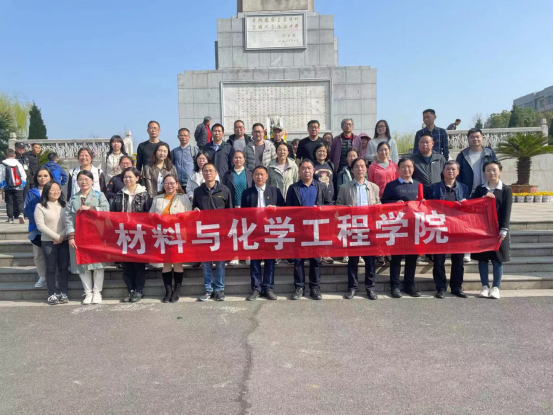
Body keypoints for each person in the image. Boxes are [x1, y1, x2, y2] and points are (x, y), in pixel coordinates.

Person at [286, 160, 333, 301]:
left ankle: (315, 287)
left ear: (313, 170)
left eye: (309, 168)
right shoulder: (293, 188)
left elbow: (329, 204)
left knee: (315, 259)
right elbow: (287, 209)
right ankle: (299, 287)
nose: (306, 171)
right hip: (299, 229)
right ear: (299, 171)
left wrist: (320, 209)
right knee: (298, 260)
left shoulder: (321, 186)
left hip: (316, 229)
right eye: (303, 168)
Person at [336, 158, 381, 301]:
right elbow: (338, 206)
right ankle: (352, 288)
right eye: (356, 166)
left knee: (370, 261)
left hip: (369, 228)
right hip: (353, 228)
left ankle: (370, 288)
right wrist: (345, 209)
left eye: (362, 166)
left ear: (366, 169)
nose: (360, 169)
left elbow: (379, 205)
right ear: (352, 170)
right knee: (353, 260)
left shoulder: (374, 187)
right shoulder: (345, 188)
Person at [425, 161, 470, 299]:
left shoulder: (464, 188)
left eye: (453, 169)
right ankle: (441, 288)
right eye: (448, 169)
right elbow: (427, 206)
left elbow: (470, 208)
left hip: (458, 228)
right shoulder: (433, 188)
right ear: (443, 171)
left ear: (458, 172)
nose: (450, 171)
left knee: (458, 260)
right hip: (440, 228)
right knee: (439, 260)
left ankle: (456, 287)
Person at [64, 170, 110, 305]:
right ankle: (88, 292)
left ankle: (97, 292)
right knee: (82, 265)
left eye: (86, 179)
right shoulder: (73, 198)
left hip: (97, 235)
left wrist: (90, 208)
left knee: (98, 265)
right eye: (81, 179)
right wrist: (71, 236)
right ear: (77, 182)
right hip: (79, 236)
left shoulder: (99, 195)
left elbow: (106, 209)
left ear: (92, 181)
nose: (84, 182)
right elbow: (67, 218)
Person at [241, 166, 285, 301]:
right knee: (254, 261)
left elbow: (284, 208)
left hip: (270, 230)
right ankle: (256, 288)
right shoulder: (247, 193)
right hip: (254, 230)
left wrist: (276, 208)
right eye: (256, 174)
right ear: (252, 176)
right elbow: (242, 213)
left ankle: (268, 288)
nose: (259, 177)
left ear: (266, 176)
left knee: (270, 260)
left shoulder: (275, 191)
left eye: (262, 174)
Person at [471, 161, 513, 300]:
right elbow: (472, 206)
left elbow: (507, 211)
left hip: (498, 229)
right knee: (482, 259)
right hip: (482, 229)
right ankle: (484, 286)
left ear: (500, 171)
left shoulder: (506, 189)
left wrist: (504, 229)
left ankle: (496, 287)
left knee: (497, 259)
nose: (491, 173)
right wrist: (482, 199)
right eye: (488, 170)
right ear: (484, 172)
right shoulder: (480, 189)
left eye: (494, 170)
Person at [382, 158, 422, 299]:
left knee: (412, 258)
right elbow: (383, 202)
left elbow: (424, 204)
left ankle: (409, 285)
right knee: (396, 258)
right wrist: (395, 203)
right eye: (403, 167)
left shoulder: (418, 185)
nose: (407, 169)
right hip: (397, 226)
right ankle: (395, 285)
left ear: (413, 169)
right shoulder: (391, 186)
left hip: (413, 227)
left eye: (409, 167)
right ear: (398, 169)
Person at [111, 167, 152, 303]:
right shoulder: (119, 194)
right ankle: (131, 290)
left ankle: (139, 289)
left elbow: (148, 214)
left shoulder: (144, 194)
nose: (127, 179)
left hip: (139, 232)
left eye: (130, 177)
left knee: (139, 263)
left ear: (137, 178)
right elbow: (112, 214)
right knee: (126, 264)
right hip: (124, 233)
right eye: (125, 177)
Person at [193, 163, 233, 302]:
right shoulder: (198, 191)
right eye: (205, 171)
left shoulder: (225, 190)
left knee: (220, 263)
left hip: (220, 232)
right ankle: (208, 289)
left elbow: (230, 212)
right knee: (206, 263)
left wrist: (228, 231)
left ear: (216, 173)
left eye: (211, 170)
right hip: (204, 231)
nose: (208, 173)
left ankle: (219, 290)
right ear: (202, 173)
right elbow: (194, 209)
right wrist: (195, 211)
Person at [150, 174, 192, 303]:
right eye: (167, 183)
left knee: (178, 262)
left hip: (178, 235)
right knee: (166, 263)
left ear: (177, 184)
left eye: (172, 183)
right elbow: (150, 215)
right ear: (163, 185)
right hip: (163, 235)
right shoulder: (157, 199)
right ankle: (168, 291)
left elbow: (189, 214)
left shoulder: (184, 198)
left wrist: (182, 217)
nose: (170, 185)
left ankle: (176, 291)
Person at [35, 182, 70, 305]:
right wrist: (56, 236)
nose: (56, 192)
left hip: (64, 241)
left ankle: (63, 293)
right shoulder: (40, 206)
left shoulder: (65, 204)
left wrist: (61, 236)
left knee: (63, 268)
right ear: (46, 191)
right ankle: (52, 294)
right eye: (52, 189)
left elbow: (70, 222)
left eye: (58, 189)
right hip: (48, 242)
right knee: (50, 268)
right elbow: (40, 225)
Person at [24, 167, 53, 288]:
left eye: (45, 175)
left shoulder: (55, 190)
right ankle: (42, 276)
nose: (42, 178)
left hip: (53, 228)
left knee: (52, 254)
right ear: (36, 178)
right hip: (36, 228)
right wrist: (39, 223)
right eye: (40, 176)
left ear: (50, 177)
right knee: (38, 255)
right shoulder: (32, 192)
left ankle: (54, 277)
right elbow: (28, 210)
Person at [456, 128, 499, 195]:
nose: (475, 139)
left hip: (487, 191)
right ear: (468, 139)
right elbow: (457, 175)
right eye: (472, 137)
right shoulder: (462, 155)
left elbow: (496, 171)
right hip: (468, 192)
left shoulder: (489, 153)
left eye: (477, 137)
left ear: (482, 138)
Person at [1, 149, 27, 224]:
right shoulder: (18, 163)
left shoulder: (2, 164)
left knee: (9, 202)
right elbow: (23, 175)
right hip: (18, 186)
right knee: (20, 201)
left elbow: (1, 176)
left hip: (7, 187)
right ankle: (21, 213)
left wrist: (2, 186)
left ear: (5, 155)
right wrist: (22, 184)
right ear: (14, 155)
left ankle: (10, 217)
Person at [172, 128, 199, 192]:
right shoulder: (174, 151)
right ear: (178, 137)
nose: (183, 137)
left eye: (185, 135)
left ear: (189, 137)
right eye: (181, 135)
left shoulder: (194, 150)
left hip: (191, 182)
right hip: (178, 184)